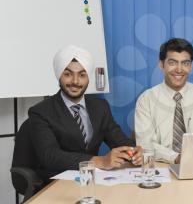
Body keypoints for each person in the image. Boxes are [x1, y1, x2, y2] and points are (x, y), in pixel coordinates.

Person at [28, 45, 142, 183]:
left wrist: (133, 152)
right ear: (59, 75)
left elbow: (119, 140)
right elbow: (50, 156)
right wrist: (99, 161)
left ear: (88, 78)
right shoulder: (40, 112)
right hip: (56, 182)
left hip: (93, 181)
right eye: (68, 74)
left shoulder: (100, 107)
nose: (75, 81)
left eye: (82, 75)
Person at [135, 38, 193, 164]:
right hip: (161, 168)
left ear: (191, 66)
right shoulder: (146, 99)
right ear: (161, 65)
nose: (179, 69)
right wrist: (176, 157)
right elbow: (145, 145)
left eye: (185, 63)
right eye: (172, 63)